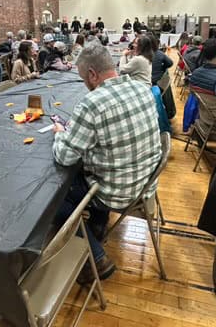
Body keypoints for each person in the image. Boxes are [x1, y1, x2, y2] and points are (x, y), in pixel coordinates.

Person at [52, 43, 162, 282]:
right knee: (95, 166)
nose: (85, 85)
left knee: (53, 199)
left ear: (92, 74)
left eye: (84, 79)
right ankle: (99, 226)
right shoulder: (143, 89)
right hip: (146, 184)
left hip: (116, 192)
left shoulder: (91, 104)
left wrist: (60, 132)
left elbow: (65, 156)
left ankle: (97, 258)